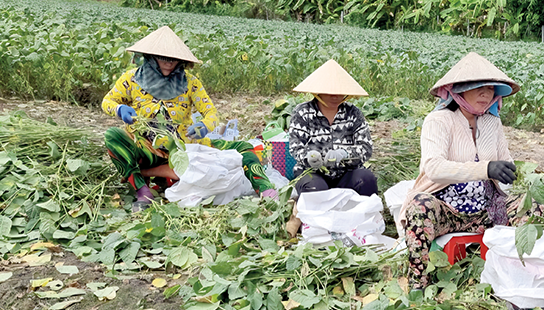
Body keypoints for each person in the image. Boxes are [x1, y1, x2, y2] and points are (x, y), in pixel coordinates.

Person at [102, 26, 276, 211]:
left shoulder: (190, 83)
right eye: (163, 58)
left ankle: (265, 190)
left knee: (244, 149)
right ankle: (142, 190)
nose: (169, 63)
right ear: (151, 57)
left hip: (184, 149)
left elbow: (211, 113)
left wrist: (204, 126)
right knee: (113, 136)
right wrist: (119, 109)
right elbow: (107, 101)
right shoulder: (131, 79)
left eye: (173, 59)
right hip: (145, 148)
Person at [401, 52, 519, 291]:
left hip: (487, 210)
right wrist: (485, 168)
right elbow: (433, 168)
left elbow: (505, 159)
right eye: (479, 88)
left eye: (491, 88)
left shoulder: (492, 123)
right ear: (458, 91)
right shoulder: (439, 121)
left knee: (533, 204)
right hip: (447, 211)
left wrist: (509, 173)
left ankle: (513, 276)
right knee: (419, 205)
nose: (487, 94)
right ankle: (418, 284)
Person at [287, 59, 377, 197]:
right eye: (329, 92)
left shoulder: (353, 113)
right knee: (316, 190)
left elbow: (365, 148)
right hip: (313, 173)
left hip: (347, 173)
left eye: (339, 92)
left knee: (367, 180)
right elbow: (295, 147)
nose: (335, 96)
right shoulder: (303, 113)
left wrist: (345, 154)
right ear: (318, 92)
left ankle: (357, 216)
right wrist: (310, 157)